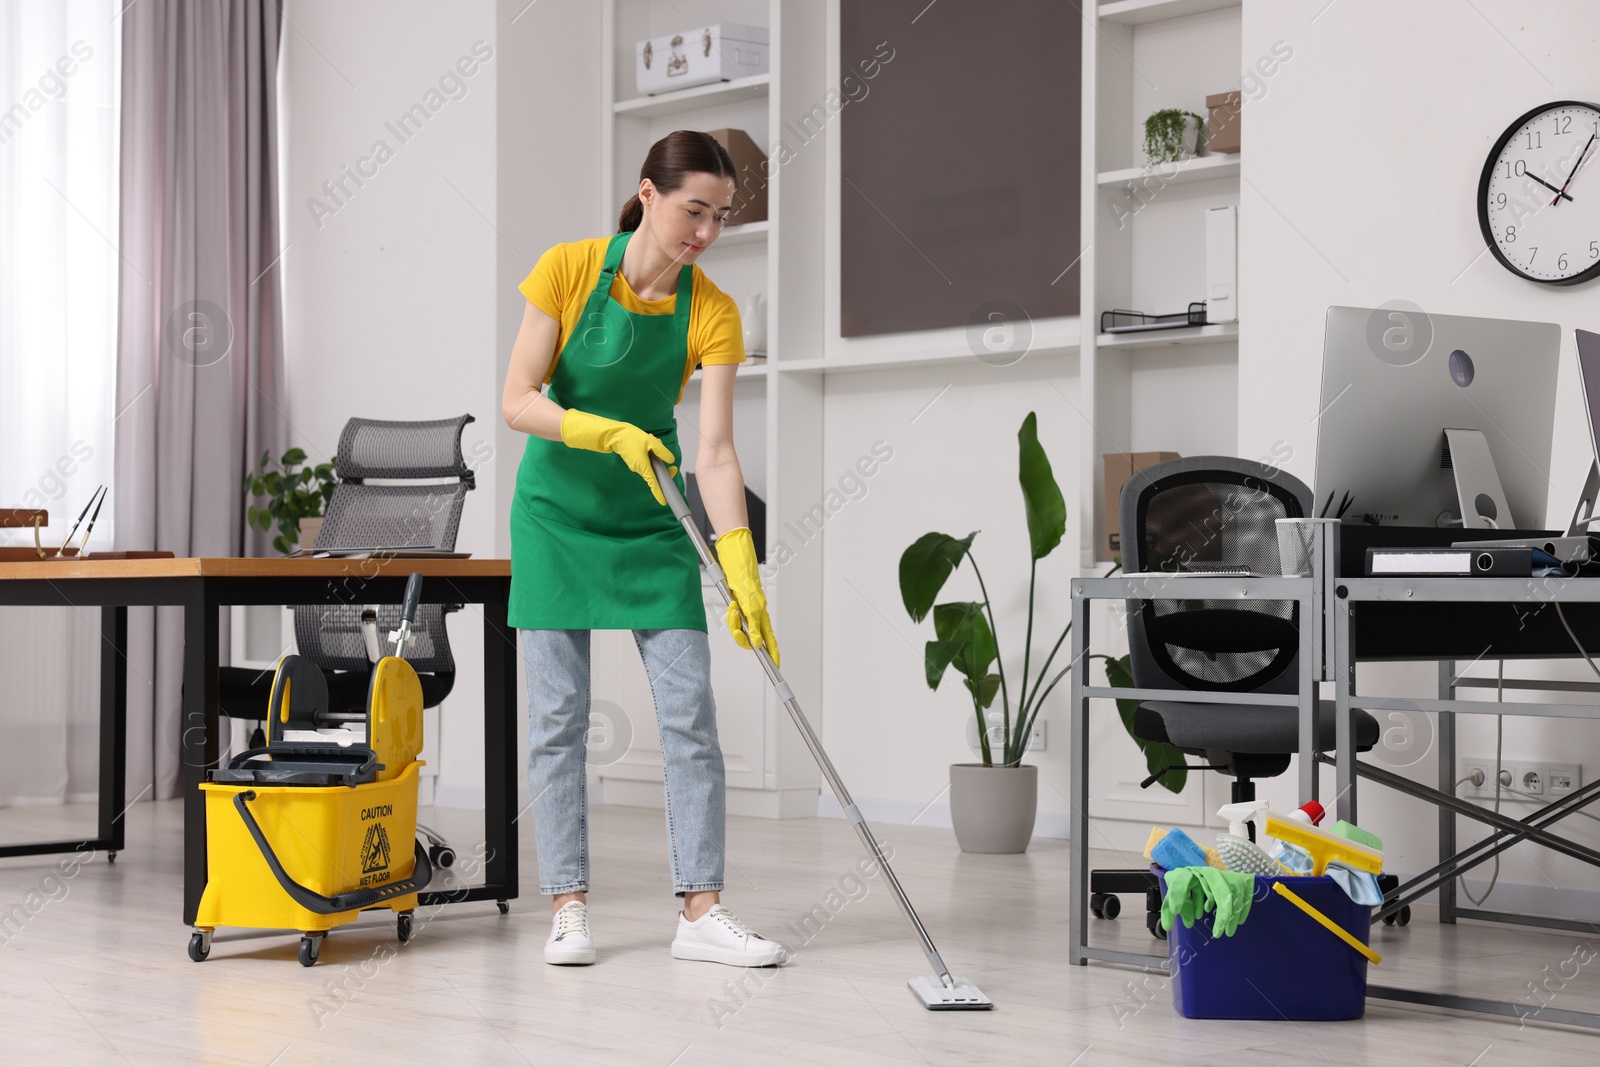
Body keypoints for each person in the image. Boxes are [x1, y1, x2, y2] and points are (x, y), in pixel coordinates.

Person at [501, 130, 787, 969]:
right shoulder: (566, 267)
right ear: (649, 195)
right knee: (558, 722)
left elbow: (718, 453)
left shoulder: (714, 310)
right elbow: (518, 400)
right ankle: (569, 905)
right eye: (693, 209)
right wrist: (605, 430)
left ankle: (700, 910)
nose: (704, 231)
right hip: (555, 515)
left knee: (690, 713)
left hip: (655, 517)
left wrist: (740, 565)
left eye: (720, 216)